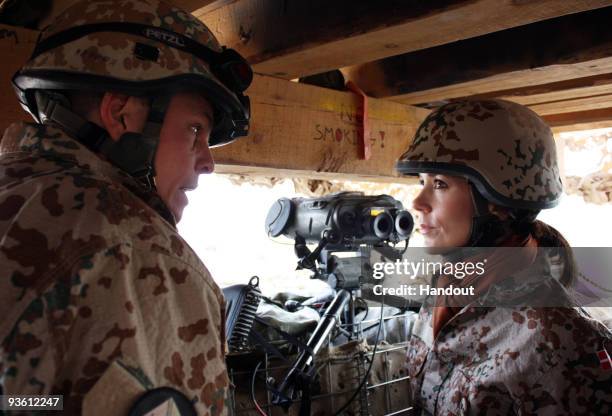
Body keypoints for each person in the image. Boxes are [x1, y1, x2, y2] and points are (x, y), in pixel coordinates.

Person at [0, 0, 252, 414]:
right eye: (195, 129)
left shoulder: (15, 195)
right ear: (121, 114)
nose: (207, 162)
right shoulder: (139, 256)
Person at [396, 99, 612, 415]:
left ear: (497, 202)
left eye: (440, 184)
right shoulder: (445, 293)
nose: (418, 201)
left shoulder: (562, 340)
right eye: (421, 181)